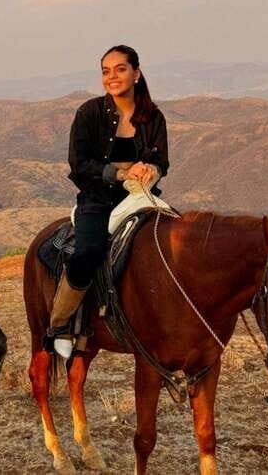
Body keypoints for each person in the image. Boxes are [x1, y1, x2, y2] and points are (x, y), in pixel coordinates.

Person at [47, 44, 169, 358]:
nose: (111, 76)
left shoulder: (153, 117)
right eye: (105, 71)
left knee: (173, 241)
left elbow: (162, 163)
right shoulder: (89, 113)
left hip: (140, 198)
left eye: (120, 69)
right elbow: (79, 164)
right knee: (88, 250)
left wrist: (151, 169)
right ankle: (60, 325)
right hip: (97, 200)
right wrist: (119, 174)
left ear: (136, 73)